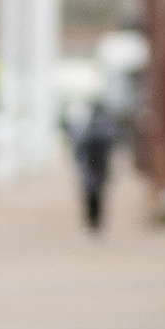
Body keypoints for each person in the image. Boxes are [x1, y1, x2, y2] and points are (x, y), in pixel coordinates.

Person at [71, 100, 116, 234]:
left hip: (91, 166)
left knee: (91, 195)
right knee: (98, 196)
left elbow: (79, 147)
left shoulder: (88, 129)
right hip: (99, 166)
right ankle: (96, 223)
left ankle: (92, 222)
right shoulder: (105, 128)